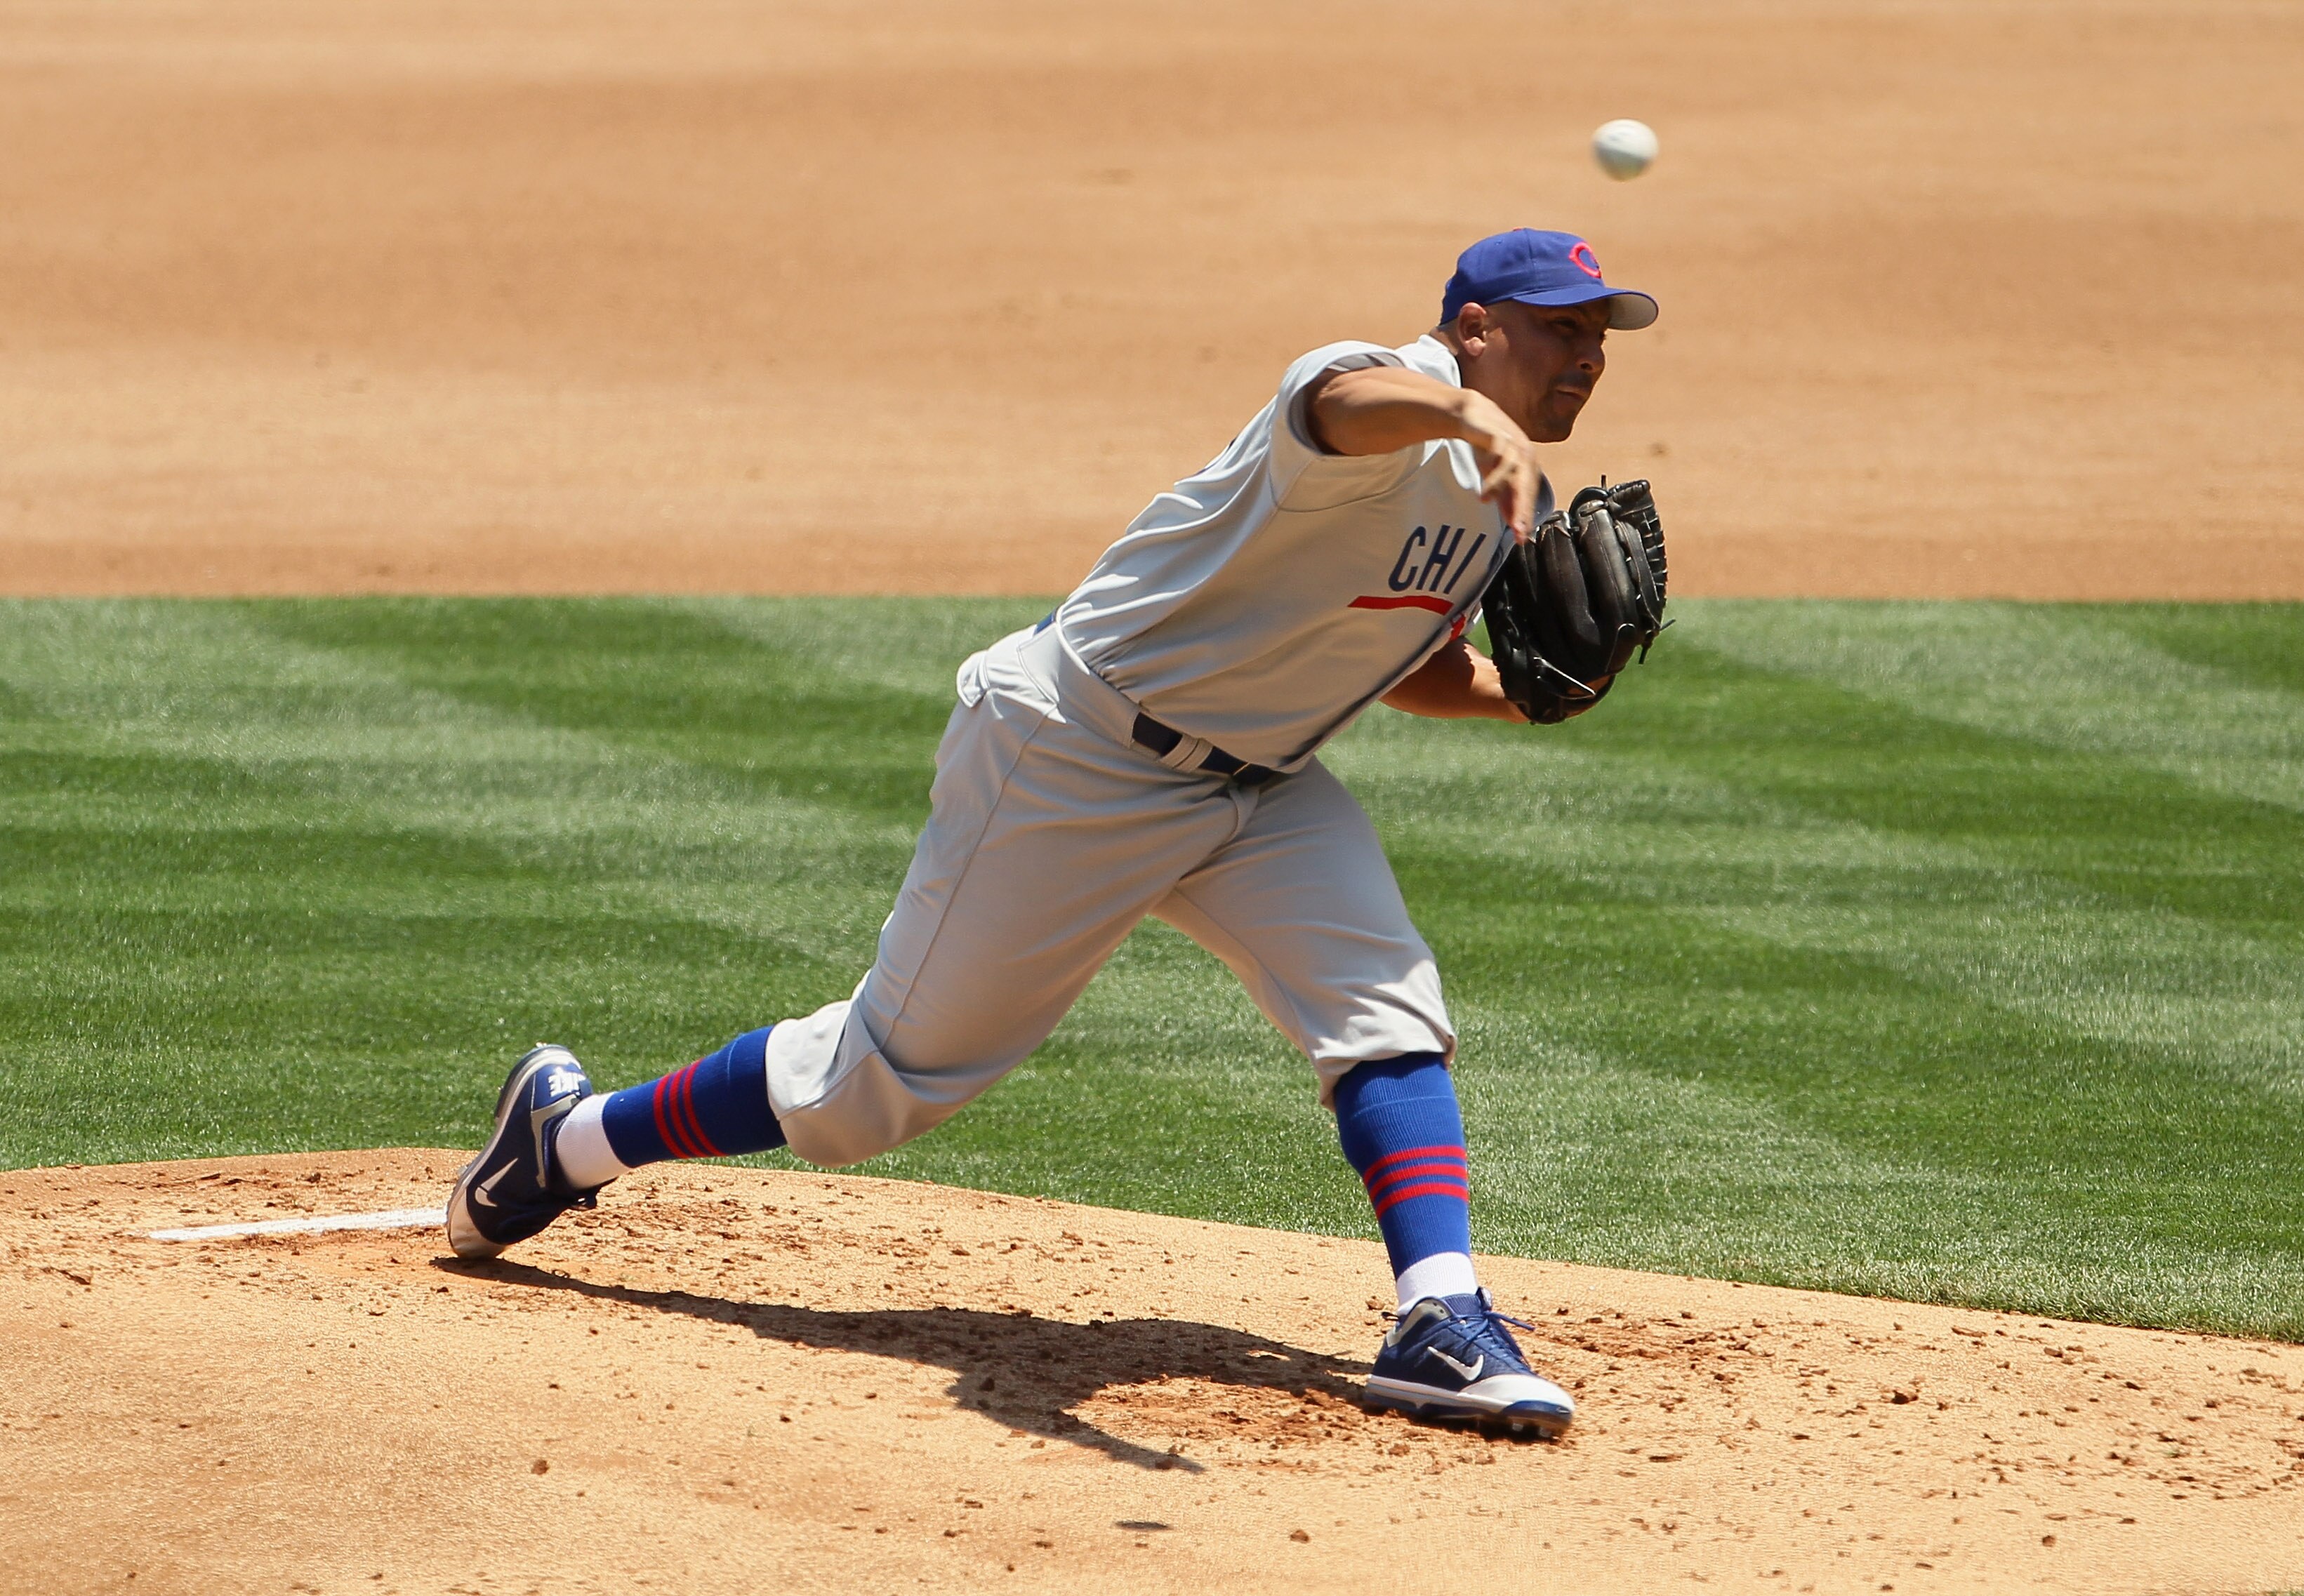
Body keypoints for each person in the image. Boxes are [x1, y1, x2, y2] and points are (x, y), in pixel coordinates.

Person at [447, 227, 1657, 1437]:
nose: (1584, 358)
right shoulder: (1362, 385)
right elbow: (1346, 402)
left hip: (1262, 787)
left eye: (1598, 339)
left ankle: (1438, 1317)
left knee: (1384, 1004)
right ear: (1474, 327)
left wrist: (1529, 695)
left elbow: (1413, 657)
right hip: (1077, 750)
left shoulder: (1509, 502)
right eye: (1560, 327)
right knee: (873, 1086)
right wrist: (1467, 418)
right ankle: (569, 1141)